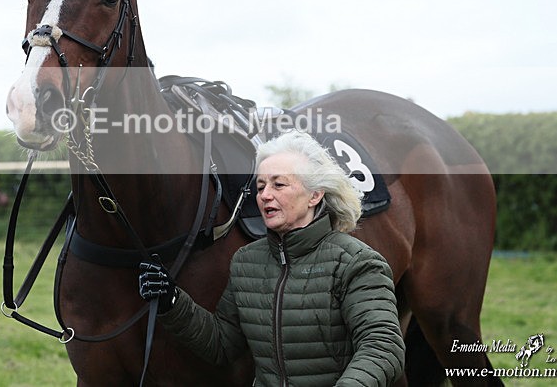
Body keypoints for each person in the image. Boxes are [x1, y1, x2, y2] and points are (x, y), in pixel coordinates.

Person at [139, 130, 405, 386]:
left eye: (279, 184)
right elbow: (222, 344)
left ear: (315, 194)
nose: (265, 195)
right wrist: (171, 301)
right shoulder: (245, 262)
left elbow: (383, 346)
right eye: (261, 186)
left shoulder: (357, 262)